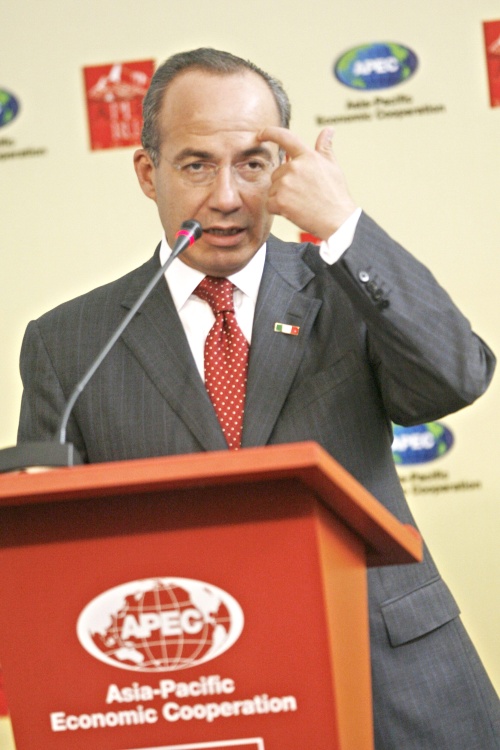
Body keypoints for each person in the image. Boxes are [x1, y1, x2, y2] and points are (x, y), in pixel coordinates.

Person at [17, 48, 499, 748]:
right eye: (196, 165)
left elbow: (457, 376)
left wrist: (344, 226)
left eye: (252, 163)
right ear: (148, 173)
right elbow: (52, 564)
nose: (227, 197)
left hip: (394, 683)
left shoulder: (343, 283)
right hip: (196, 698)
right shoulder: (69, 342)